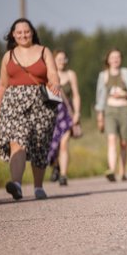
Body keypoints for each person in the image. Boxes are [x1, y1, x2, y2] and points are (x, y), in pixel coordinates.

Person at [0, 18, 62, 200]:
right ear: (13, 35)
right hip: (14, 104)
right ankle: (16, 184)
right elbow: (2, 84)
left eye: (26, 31)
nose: (23, 35)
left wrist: (55, 83)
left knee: (39, 144)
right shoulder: (8, 56)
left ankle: (38, 187)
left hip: (41, 103)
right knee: (17, 141)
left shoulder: (44, 51)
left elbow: (53, 74)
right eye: (19, 32)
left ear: (32, 33)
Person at [95, 48, 127, 182]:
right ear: (108, 60)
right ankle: (111, 169)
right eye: (112, 57)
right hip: (109, 110)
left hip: (125, 109)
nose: (115, 60)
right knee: (111, 139)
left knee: (123, 142)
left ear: (120, 59)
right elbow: (99, 97)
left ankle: (122, 171)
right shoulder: (103, 75)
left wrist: (125, 94)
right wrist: (100, 115)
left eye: (117, 57)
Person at [48, 50, 81, 186]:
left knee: (63, 145)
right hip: (52, 114)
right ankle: (56, 166)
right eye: (58, 59)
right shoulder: (48, 75)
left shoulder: (70, 74)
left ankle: (63, 175)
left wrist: (77, 113)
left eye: (63, 59)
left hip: (67, 114)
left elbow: (76, 94)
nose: (61, 61)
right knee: (53, 145)